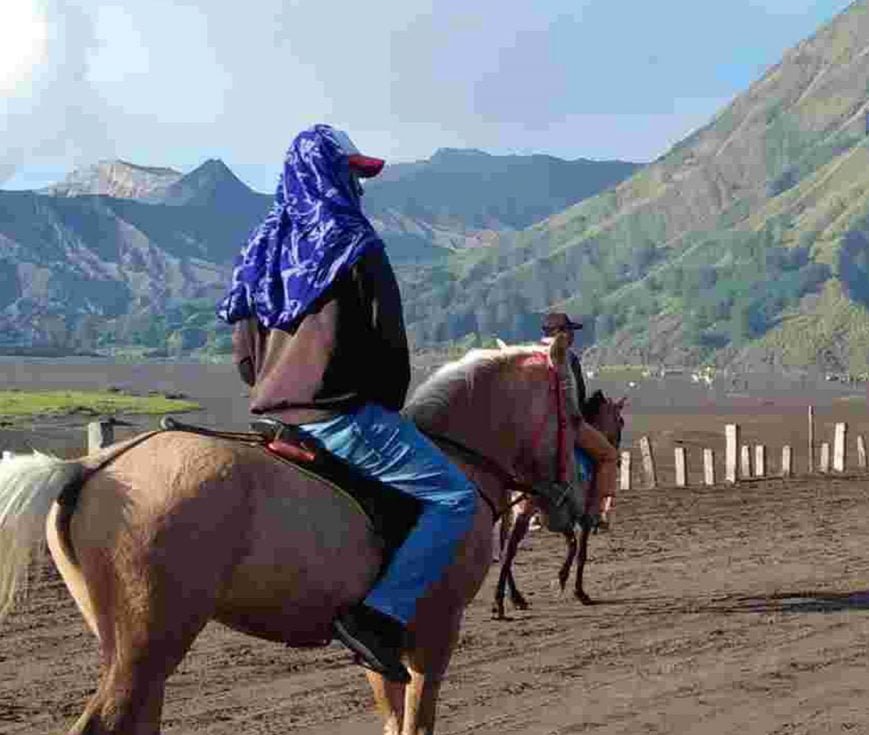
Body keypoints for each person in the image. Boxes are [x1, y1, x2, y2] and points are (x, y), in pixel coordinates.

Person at [217, 124, 477, 682]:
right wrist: (384, 407)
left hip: (274, 418)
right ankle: (378, 616)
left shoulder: (263, 247)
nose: (359, 185)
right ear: (332, 175)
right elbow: (389, 349)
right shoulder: (356, 244)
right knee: (455, 497)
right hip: (340, 417)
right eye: (352, 173)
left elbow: (243, 356)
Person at [541, 311, 618, 529]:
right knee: (608, 456)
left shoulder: (531, 356)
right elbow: (578, 399)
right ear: (560, 333)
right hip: (566, 424)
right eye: (570, 331)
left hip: (534, 424)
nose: (573, 336)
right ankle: (599, 512)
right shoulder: (569, 358)